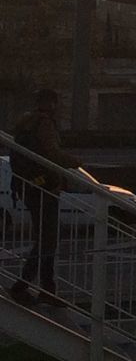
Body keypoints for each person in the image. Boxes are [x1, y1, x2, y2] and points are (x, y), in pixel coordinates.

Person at [9, 88, 80, 306]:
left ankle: (47, 290)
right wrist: (75, 162)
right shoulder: (44, 123)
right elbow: (51, 153)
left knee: (46, 238)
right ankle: (22, 287)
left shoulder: (25, 121)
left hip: (29, 185)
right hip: (44, 187)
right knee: (47, 239)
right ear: (52, 103)